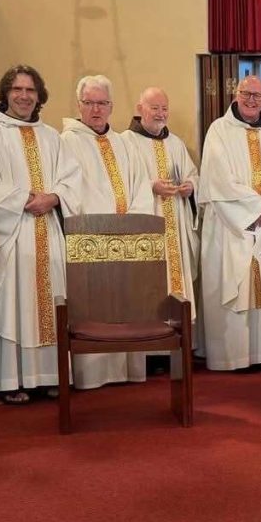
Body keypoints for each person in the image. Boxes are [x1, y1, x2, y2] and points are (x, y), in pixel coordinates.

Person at [0, 65, 81, 405]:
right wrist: (23, 199)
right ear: (5, 93)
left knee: (52, 300)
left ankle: (49, 375)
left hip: (48, 230)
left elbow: (72, 179)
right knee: (12, 302)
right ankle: (10, 378)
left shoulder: (51, 137)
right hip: (10, 236)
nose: (23, 96)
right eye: (17, 89)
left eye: (30, 90)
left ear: (39, 95)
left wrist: (54, 197)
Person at [61, 75, 154, 389]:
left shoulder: (124, 142)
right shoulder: (67, 142)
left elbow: (141, 185)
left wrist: (132, 221)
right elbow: (71, 190)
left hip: (129, 237)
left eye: (102, 103)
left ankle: (128, 368)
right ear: (79, 106)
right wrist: (103, 223)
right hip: (92, 237)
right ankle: (94, 374)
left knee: (128, 302)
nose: (96, 109)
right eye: (89, 103)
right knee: (95, 304)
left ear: (112, 106)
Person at [198, 76, 261, 371]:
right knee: (234, 281)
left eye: (258, 96)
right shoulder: (219, 130)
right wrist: (257, 207)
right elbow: (219, 179)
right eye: (247, 94)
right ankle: (235, 357)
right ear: (236, 94)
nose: (252, 100)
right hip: (231, 226)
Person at [121, 86, 200, 314]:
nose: (160, 114)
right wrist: (151, 187)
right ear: (140, 109)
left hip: (176, 222)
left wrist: (190, 186)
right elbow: (120, 184)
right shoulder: (126, 142)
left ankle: (179, 329)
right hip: (148, 222)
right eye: (154, 108)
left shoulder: (175, 143)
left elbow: (192, 174)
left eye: (164, 109)